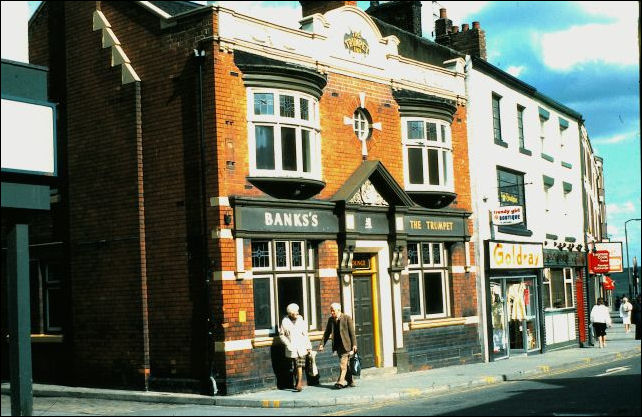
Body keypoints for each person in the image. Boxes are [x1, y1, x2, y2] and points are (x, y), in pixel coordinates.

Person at [318, 302, 357, 388]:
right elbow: (327, 333)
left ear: (339, 310)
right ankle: (350, 381)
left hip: (347, 345)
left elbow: (352, 333)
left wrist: (354, 344)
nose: (331, 312)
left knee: (342, 364)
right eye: (331, 311)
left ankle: (340, 382)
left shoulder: (347, 318)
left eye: (333, 311)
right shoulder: (331, 320)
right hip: (338, 346)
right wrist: (322, 344)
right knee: (345, 364)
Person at [279, 303, 312, 392]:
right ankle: (296, 382)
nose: (297, 313)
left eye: (297, 311)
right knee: (294, 366)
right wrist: (288, 344)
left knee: (299, 365)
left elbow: (305, 334)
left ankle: (299, 383)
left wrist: (308, 346)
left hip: (301, 346)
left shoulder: (301, 319)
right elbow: (282, 335)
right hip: (292, 347)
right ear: (290, 313)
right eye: (295, 312)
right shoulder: (284, 321)